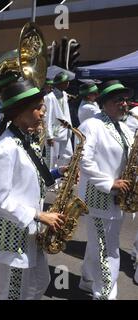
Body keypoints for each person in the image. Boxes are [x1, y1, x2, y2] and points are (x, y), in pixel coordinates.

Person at [0, 80, 64, 300]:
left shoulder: (23, 140)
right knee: (14, 294)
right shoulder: (5, 149)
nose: (42, 113)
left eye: (42, 107)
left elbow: (29, 177)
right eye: (36, 108)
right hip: (14, 237)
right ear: (19, 113)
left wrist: (58, 173)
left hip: (29, 232)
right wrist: (39, 215)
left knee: (40, 283)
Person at [77, 80, 135, 299]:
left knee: (99, 242)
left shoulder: (123, 127)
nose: (124, 104)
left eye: (125, 99)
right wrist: (109, 183)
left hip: (118, 198)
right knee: (107, 250)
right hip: (99, 197)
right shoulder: (92, 125)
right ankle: (104, 294)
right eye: (118, 100)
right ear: (104, 104)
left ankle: (87, 280)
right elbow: (83, 159)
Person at [44, 71, 73, 169]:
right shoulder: (49, 97)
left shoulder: (64, 94)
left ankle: (62, 180)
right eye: (66, 81)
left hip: (66, 131)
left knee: (68, 156)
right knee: (52, 159)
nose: (68, 83)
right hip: (55, 132)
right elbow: (47, 117)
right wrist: (49, 135)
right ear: (60, 83)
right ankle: (52, 181)